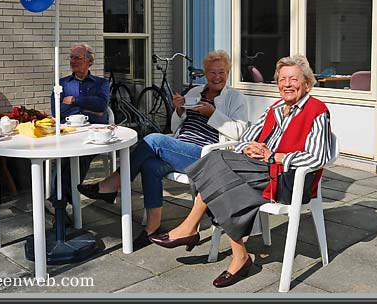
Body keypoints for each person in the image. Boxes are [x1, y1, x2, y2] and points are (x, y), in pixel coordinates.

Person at [149, 54, 334, 288]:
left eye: (293, 79)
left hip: (288, 179)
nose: (287, 84)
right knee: (216, 166)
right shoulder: (275, 109)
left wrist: (273, 156)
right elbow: (244, 136)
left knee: (215, 166)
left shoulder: (317, 111)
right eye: (282, 79)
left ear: (307, 83)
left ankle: (192, 229)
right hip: (260, 169)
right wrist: (250, 146)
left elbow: (318, 156)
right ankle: (237, 254)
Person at [78, 50, 248, 250]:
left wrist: (213, 113)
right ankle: (152, 228)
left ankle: (113, 183)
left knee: (153, 140)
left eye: (221, 72)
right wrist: (179, 110)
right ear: (205, 73)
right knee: (150, 165)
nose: (217, 77)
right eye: (212, 72)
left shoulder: (234, 97)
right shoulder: (194, 92)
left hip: (205, 154)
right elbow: (176, 127)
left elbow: (240, 132)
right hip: (181, 147)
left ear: (228, 73)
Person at [49, 43, 109, 205]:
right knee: (63, 158)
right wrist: (89, 109)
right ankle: (60, 202)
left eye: (78, 58)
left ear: (90, 61)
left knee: (81, 156)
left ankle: (58, 203)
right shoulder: (61, 83)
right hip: (69, 131)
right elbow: (57, 112)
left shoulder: (101, 83)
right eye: (71, 57)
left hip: (94, 133)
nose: (73, 61)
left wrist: (74, 101)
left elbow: (101, 106)